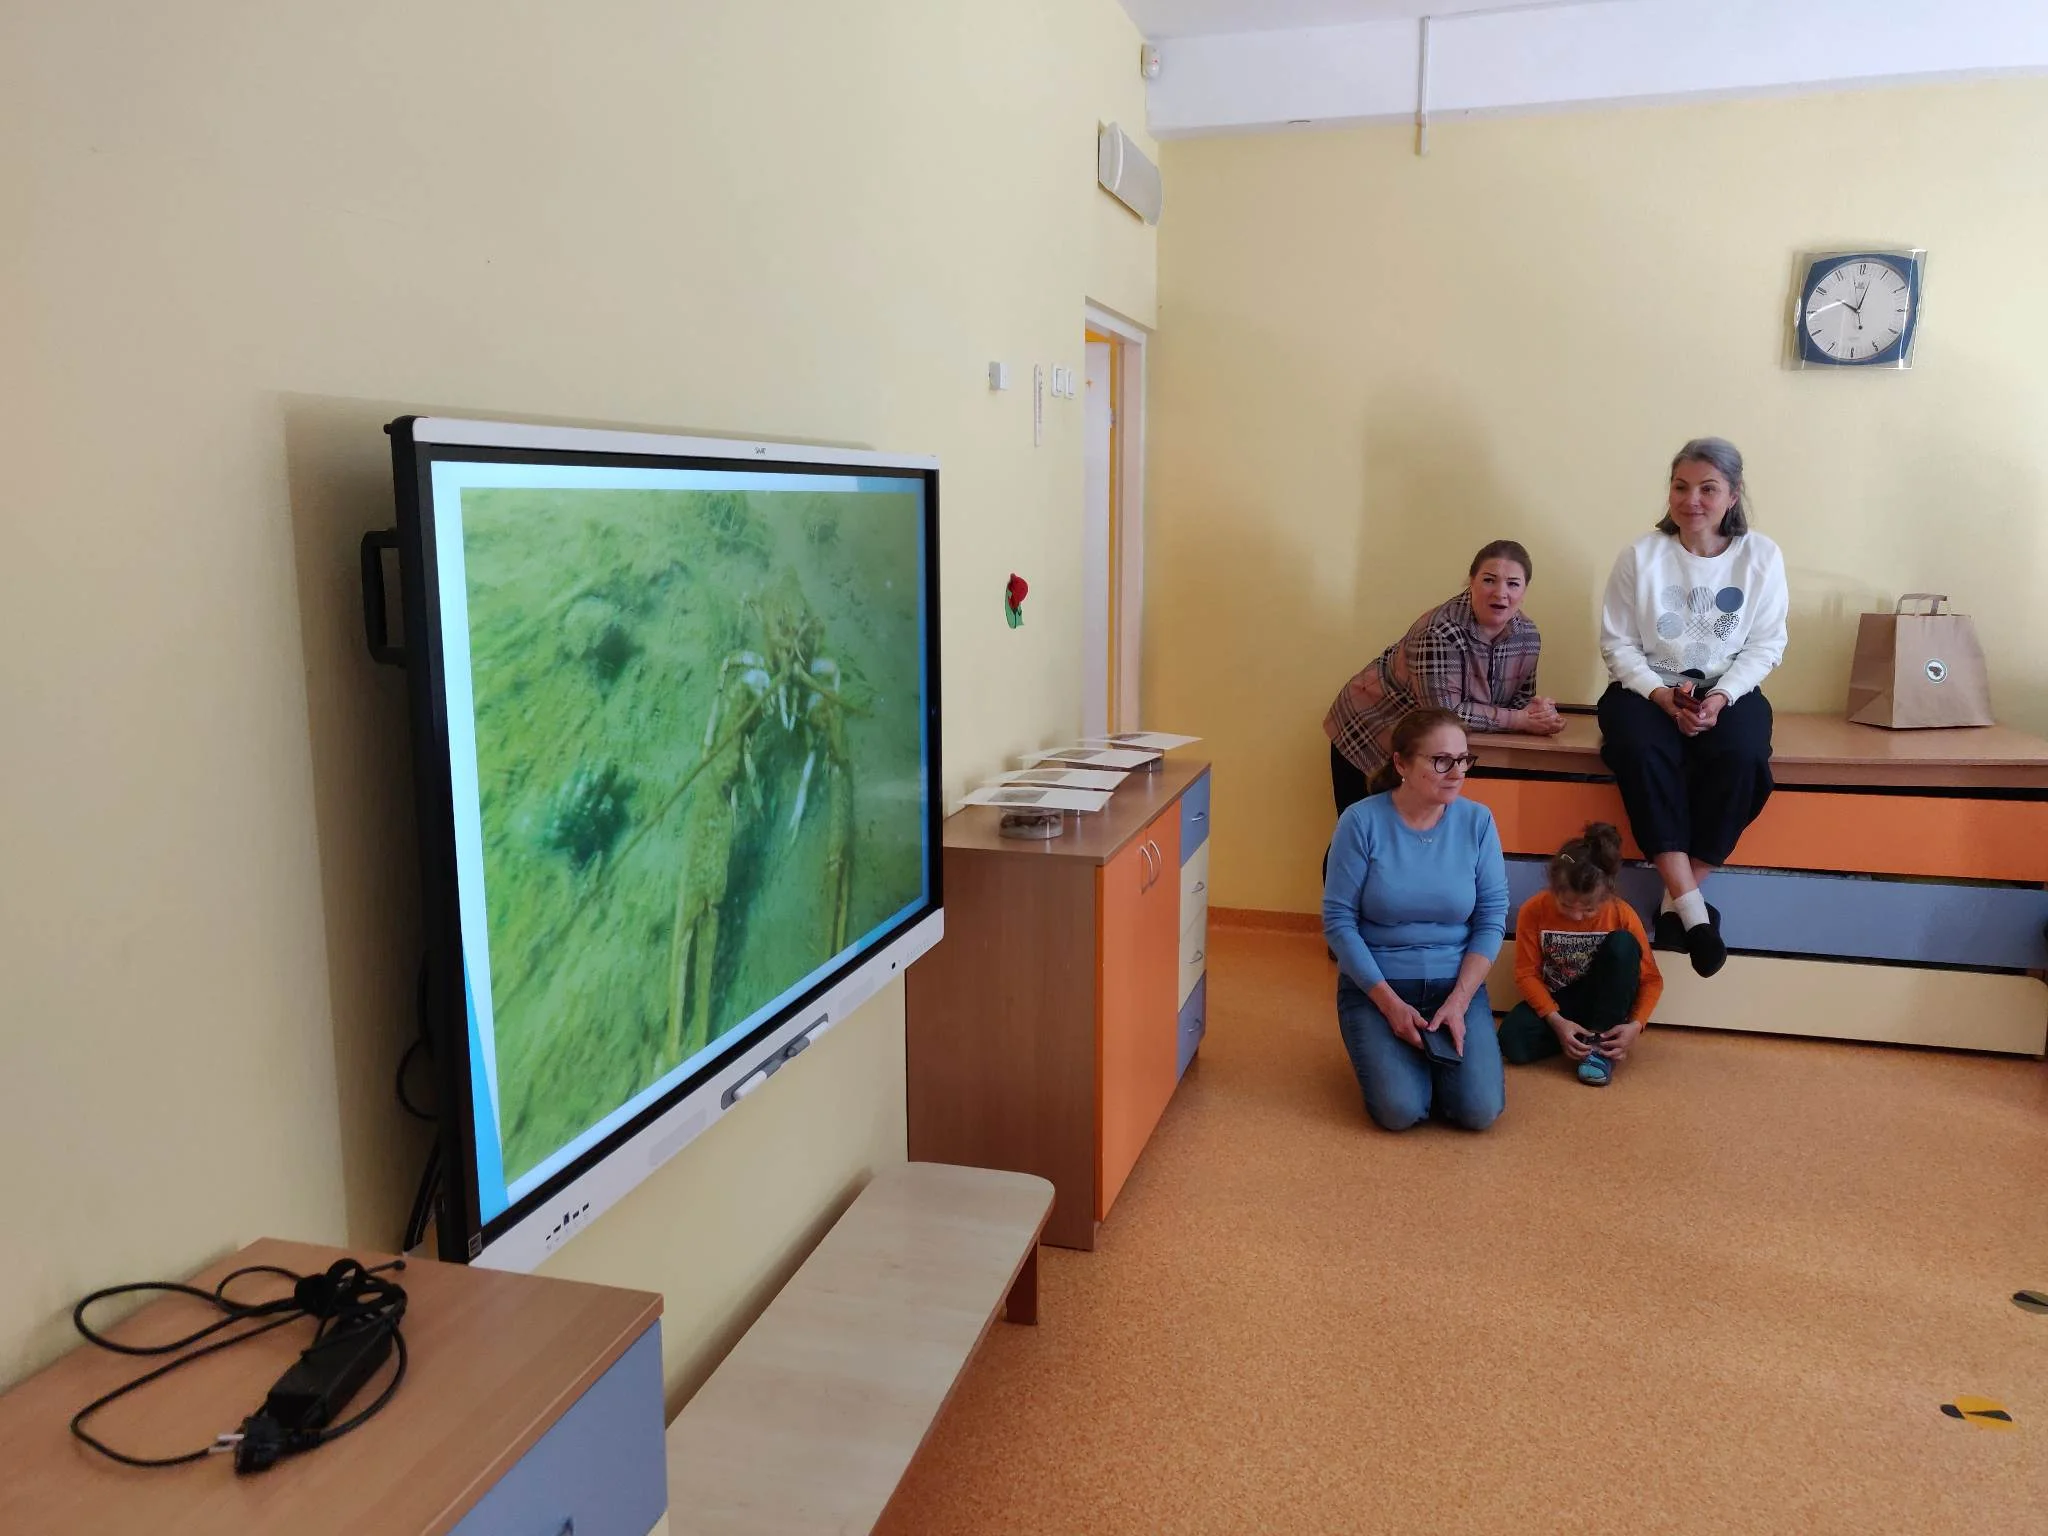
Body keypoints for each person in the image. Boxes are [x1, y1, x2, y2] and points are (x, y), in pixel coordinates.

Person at [1597, 438, 1788, 979]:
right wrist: (1660, 695)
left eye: (1708, 488)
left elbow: (1767, 644)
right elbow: (1618, 644)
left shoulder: (1761, 556)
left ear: (1733, 494)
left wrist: (1721, 697)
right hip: (1646, 689)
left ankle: (1677, 905)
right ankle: (1697, 916)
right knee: (1640, 751)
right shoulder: (1641, 556)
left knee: (1744, 758)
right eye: (1681, 487)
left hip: (1730, 689)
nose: (1692, 500)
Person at [1323, 708, 1508, 1132]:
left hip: (1454, 985)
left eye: (1463, 759)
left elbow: (1492, 916)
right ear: (1401, 764)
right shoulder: (1361, 821)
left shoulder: (1478, 821)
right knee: (1399, 1111)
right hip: (1379, 986)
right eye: (1441, 760)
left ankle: (1431, 1054)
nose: (1457, 772)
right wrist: (1389, 1005)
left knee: (1479, 1111)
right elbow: (1338, 921)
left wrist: (1459, 1001)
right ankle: (1403, 1052)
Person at [1323, 540, 1565, 825]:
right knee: (1364, 834)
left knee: (1418, 836)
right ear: (1471, 582)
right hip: (1369, 731)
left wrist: (1539, 712)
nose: (1501, 593)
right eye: (1489, 580)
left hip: (1429, 752)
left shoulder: (1528, 636)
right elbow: (1444, 714)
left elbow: (1518, 703)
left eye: (1513, 584)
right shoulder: (1439, 630)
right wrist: (1521, 720)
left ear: (1524, 591)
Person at [1497, 822, 1663, 1087]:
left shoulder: (1621, 913)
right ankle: (1579, 1038)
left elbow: (1652, 980)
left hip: (1604, 999)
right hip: (1561, 1001)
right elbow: (1526, 974)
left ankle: (1600, 1044)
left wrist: (1636, 1025)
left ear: (1606, 896)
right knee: (1511, 1041)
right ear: (1553, 888)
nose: (1576, 916)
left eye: (1588, 909)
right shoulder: (1533, 911)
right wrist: (1556, 1021)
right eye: (1566, 906)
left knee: (1623, 944)